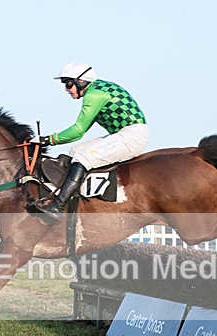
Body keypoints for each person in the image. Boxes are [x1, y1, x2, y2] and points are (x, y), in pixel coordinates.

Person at [31, 61, 148, 220]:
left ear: (81, 81)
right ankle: (77, 194)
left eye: (68, 84)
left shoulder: (94, 95)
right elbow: (81, 132)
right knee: (76, 151)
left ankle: (58, 205)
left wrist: (47, 140)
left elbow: (78, 131)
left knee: (82, 158)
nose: (66, 89)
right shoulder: (98, 89)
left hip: (131, 135)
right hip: (126, 133)